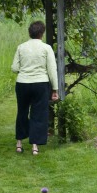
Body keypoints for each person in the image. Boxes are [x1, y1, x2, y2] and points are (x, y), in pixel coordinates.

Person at [11, 21, 59, 156]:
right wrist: (54, 89)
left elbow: (14, 68)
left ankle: (19, 143)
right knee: (38, 113)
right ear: (42, 33)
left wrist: (25, 70)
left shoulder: (21, 47)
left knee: (22, 111)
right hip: (40, 84)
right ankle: (35, 146)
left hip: (22, 83)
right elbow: (52, 70)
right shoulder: (46, 48)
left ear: (29, 33)